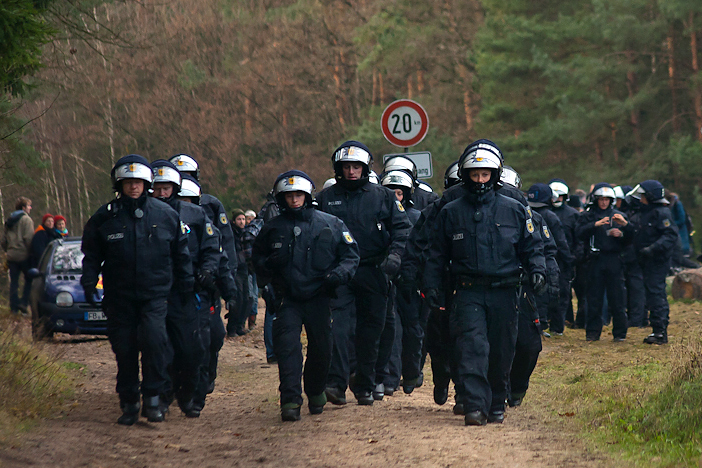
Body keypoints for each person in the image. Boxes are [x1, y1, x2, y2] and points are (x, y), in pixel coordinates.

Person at [422, 146, 546, 426]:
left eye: (485, 174)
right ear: (466, 176)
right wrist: (431, 286)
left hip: (505, 291)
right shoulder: (450, 212)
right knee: (471, 347)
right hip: (467, 291)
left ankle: (496, 402)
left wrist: (538, 271)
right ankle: (475, 404)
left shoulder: (515, 209)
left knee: (502, 350)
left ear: (495, 175)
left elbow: (533, 247)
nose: (480, 180)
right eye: (475, 174)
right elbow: (436, 254)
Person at [81, 154, 194, 425]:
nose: (133, 187)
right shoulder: (104, 217)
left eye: (138, 182)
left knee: (155, 343)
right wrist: (88, 282)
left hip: (155, 295)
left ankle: (153, 399)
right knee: (125, 349)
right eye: (128, 182)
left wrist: (187, 285)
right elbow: (92, 255)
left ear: (147, 184)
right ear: (119, 185)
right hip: (119, 297)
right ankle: (129, 401)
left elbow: (181, 254)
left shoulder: (166, 215)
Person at [252, 170, 359, 421]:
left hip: (320, 296)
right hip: (287, 298)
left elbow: (351, 255)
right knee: (288, 349)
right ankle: (290, 399)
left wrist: (338, 275)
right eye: (289, 196)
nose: (294, 200)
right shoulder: (272, 228)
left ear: (308, 195)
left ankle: (315, 390)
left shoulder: (330, 223)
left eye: (299, 194)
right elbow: (256, 260)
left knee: (322, 349)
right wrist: (269, 267)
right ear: (281, 198)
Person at [317, 140, 410, 406]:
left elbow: (402, 229)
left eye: (356, 166)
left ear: (365, 168)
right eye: (346, 167)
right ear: (338, 169)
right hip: (339, 273)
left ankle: (365, 384)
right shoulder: (325, 198)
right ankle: (335, 382)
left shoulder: (383, 196)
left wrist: (394, 257)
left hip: (374, 270)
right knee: (340, 328)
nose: (351, 172)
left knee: (372, 332)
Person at [150, 160, 221, 418]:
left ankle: (189, 393)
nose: (161, 192)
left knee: (193, 348)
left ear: (175, 187)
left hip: (189, 291)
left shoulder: (195, 214)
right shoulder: (143, 214)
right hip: (155, 291)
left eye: (166, 187)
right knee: (158, 347)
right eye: (156, 187)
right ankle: (161, 396)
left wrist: (208, 271)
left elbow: (213, 247)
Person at [377, 170, 424, 399]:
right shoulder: (378, 217)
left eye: (399, 193)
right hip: (386, 279)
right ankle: (389, 378)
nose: (396, 197)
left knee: (413, 331)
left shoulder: (417, 217)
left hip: (412, 282)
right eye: (391, 193)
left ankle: (412, 372)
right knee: (391, 330)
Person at [575, 183, 632, 342]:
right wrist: (594, 225)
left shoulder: (618, 215)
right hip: (595, 259)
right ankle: (592, 332)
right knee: (594, 298)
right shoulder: (588, 215)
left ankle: (620, 333)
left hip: (614, 259)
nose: (604, 202)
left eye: (607, 199)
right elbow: (578, 233)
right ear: (596, 199)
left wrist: (621, 232)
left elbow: (631, 238)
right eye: (601, 199)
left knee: (617, 298)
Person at [629, 181, 679, 344]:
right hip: (645, 261)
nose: (641, 199)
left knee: (656, 294)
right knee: (651, 294)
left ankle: (660, 331)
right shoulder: (646, 212)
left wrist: (652, 249)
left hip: (657, 261)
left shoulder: (662, 213)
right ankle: (657, 329)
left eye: (643, 196)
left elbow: (670, 235)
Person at [2, 197, 34, 315]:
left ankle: (13, 307)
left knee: (14, 281)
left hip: (11, 255)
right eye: (29, 206)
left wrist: (8, 250)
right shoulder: (26, 220)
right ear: (23, 208)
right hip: (24, 254)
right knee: (29, 279)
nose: (30, 208)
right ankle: (24, 302)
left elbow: (3, 240)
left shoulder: (9, 220)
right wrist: (31, 253)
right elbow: (28, 238)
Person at [244, 209, 259, 330]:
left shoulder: (257, 232)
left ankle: (252, 320)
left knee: (254, 294)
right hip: (245, 267)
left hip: (255, 267)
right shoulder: (243, 233)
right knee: (249, 294)